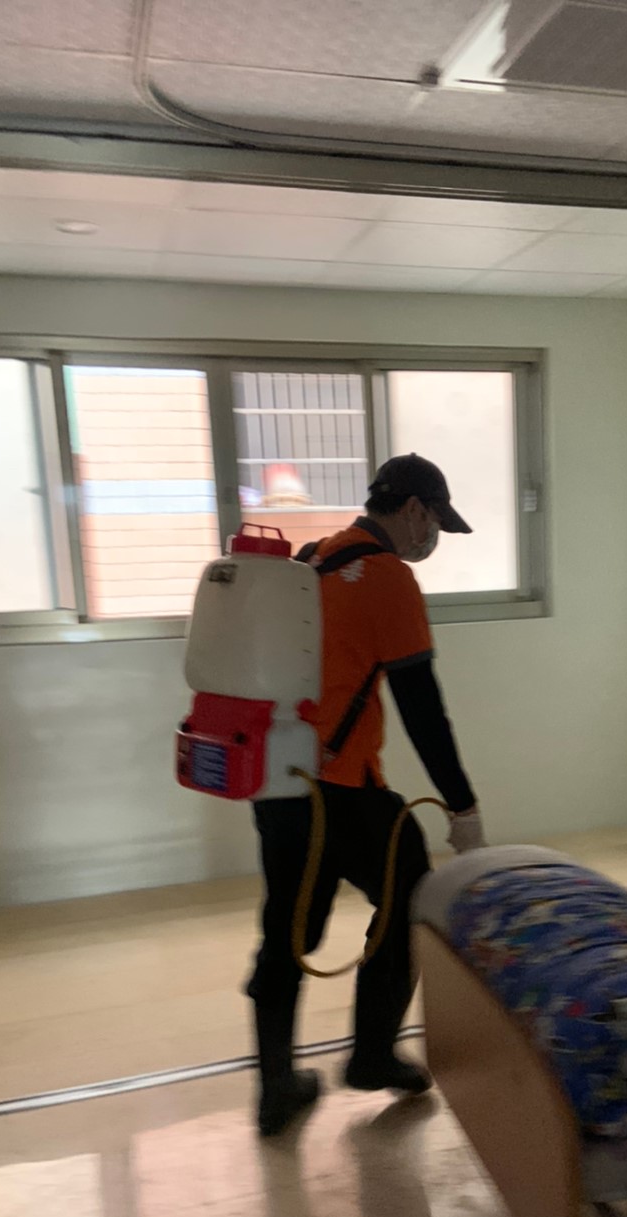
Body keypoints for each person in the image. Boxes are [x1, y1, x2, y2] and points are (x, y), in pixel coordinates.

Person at [248, 453, 484, 1136]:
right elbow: (421, 707)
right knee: (411, 892)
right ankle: (373, 1053)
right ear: (413, 509)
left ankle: (275, 1088)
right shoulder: (385, 576)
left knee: (289, 929)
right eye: (435, 522)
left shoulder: (314, 559)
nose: (433, 537)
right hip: (344, 789)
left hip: (279, 781)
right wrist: (462, 805)